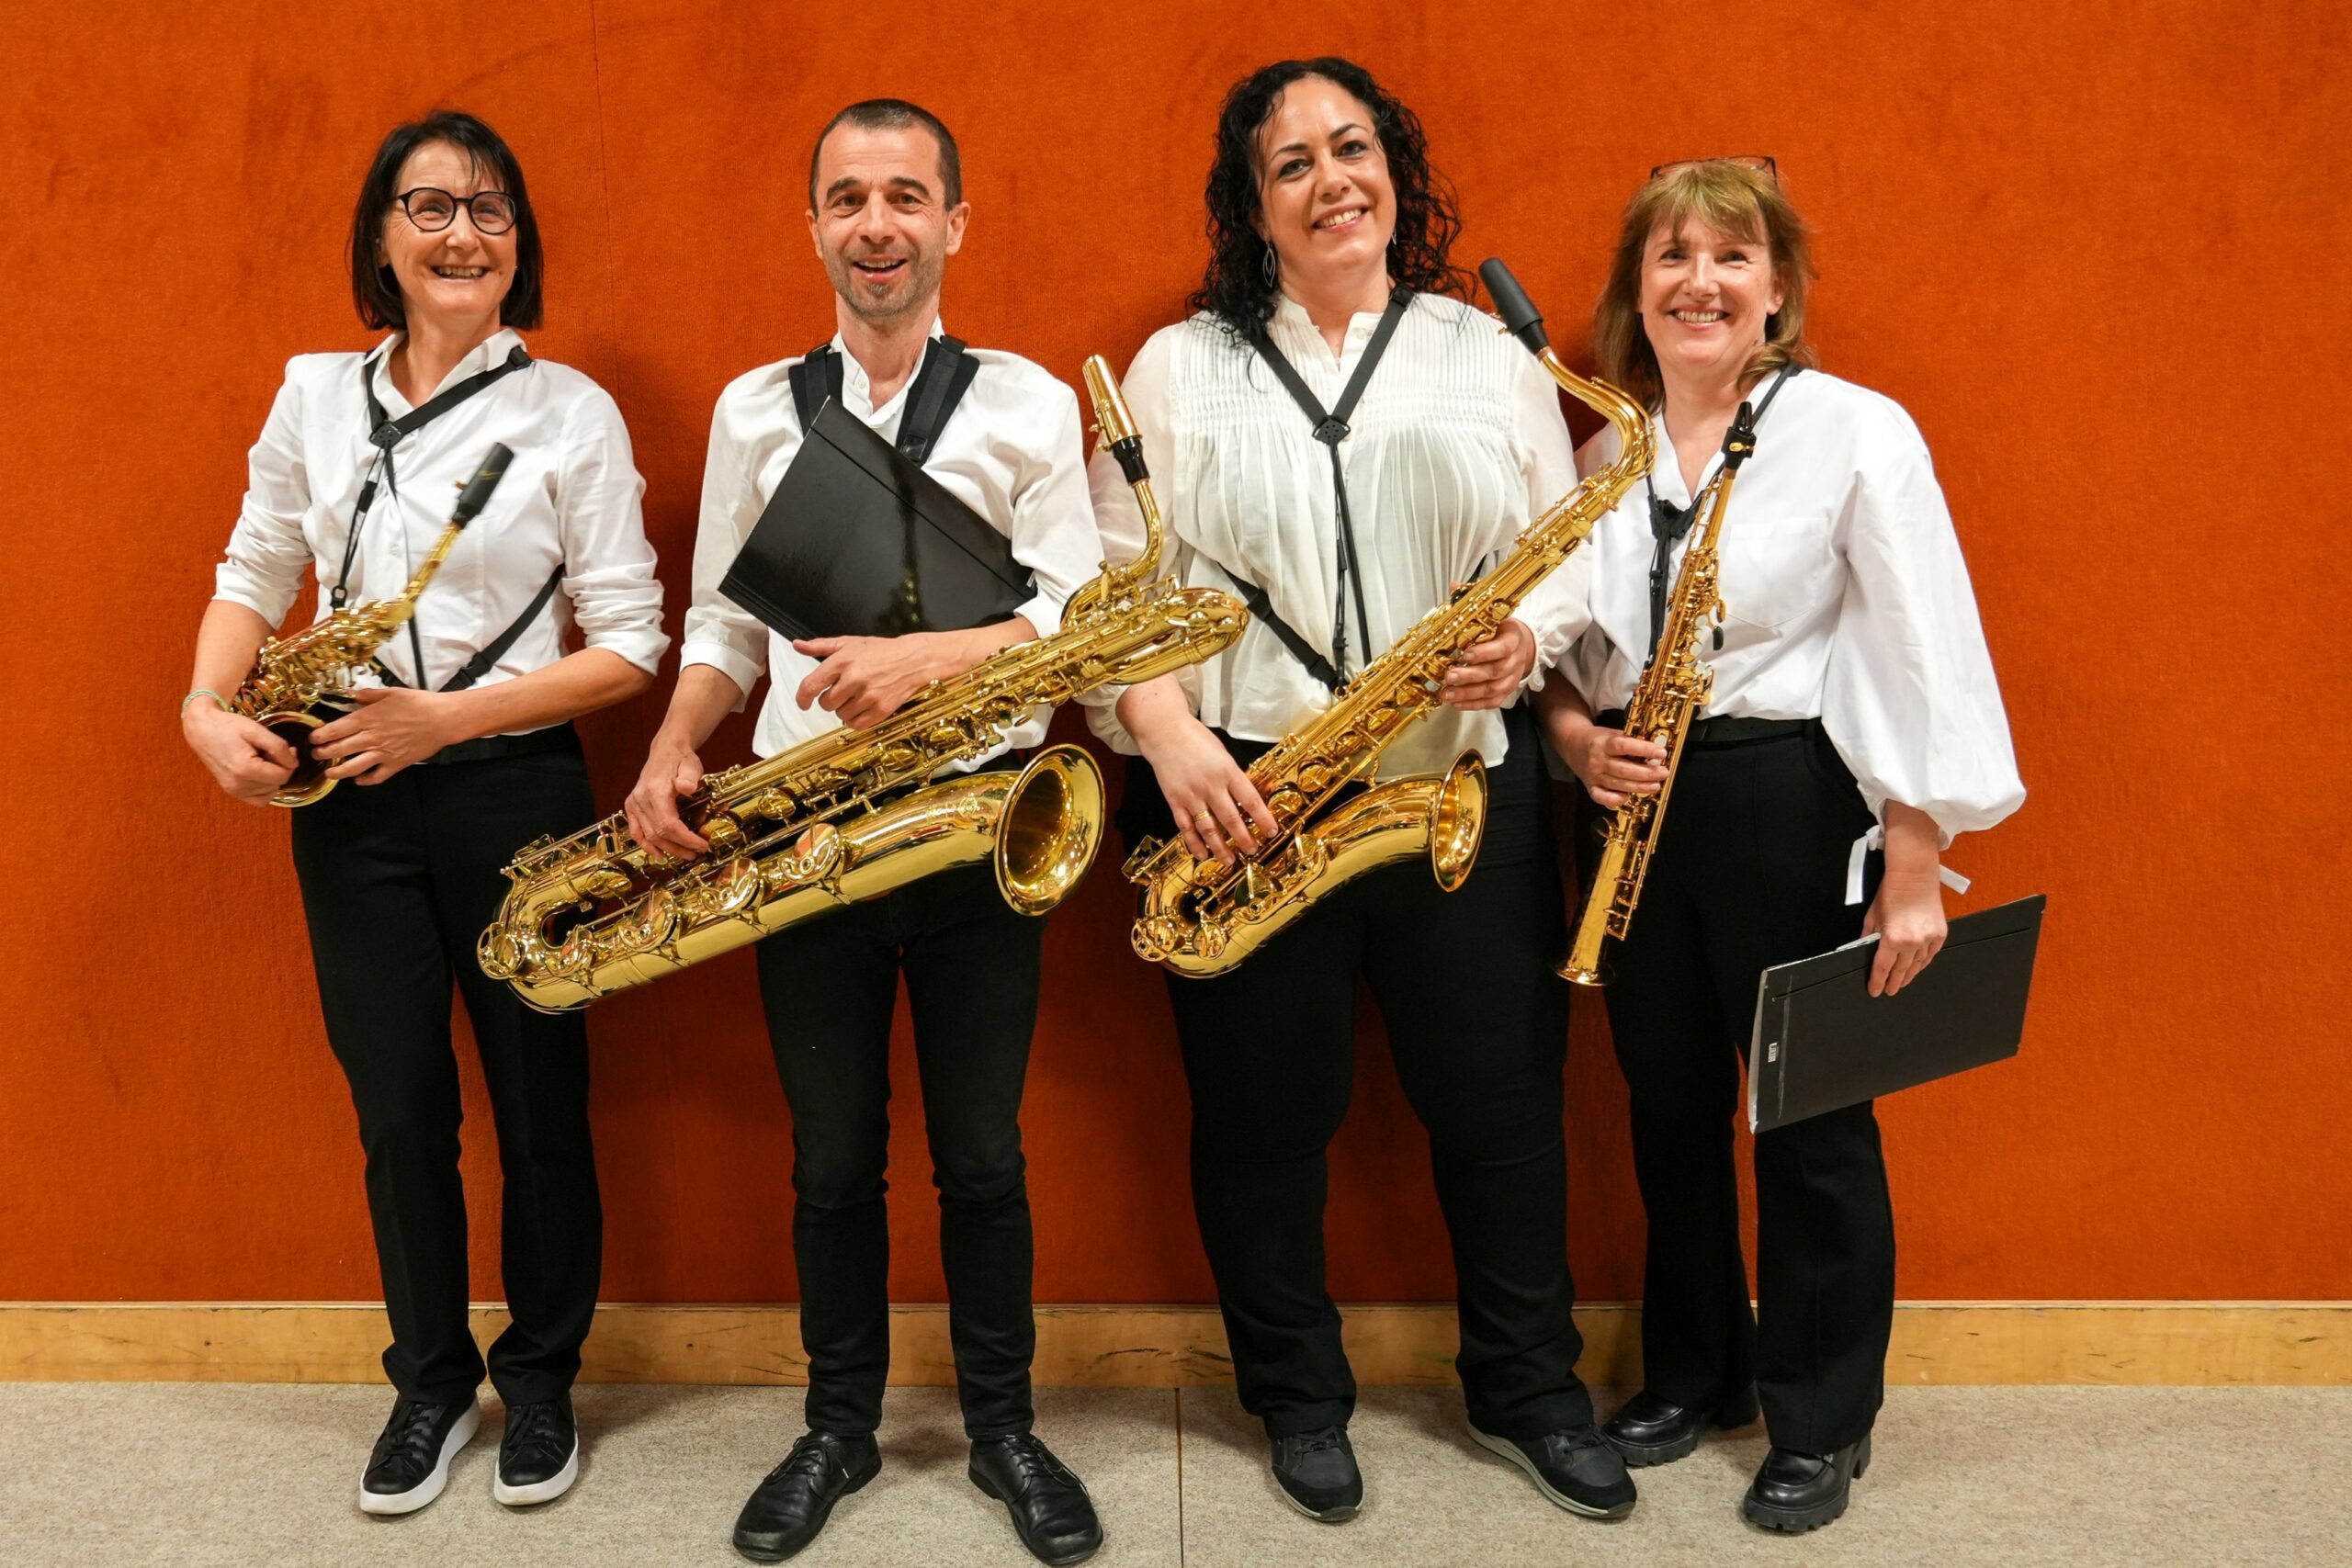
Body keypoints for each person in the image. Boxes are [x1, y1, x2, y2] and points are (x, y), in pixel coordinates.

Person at [1089, 58, 1633, 1525]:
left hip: (1457, 782)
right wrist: (1166, 736)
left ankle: (1528, 1388)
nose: (1331, 181)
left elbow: (1568, 548)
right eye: (1293, 164)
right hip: (1247, 798)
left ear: (1396, 171)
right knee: (1262, 1123)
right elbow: (1110, 594)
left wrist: (1527, 641)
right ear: (1252, 205)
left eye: (1354, 148)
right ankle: (1296, 1395)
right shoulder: (1175, 368)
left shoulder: (1487, 353)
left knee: (1503, 1111)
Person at [624, 99, 1103, 1566]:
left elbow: (1078, 622)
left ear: (955, 222)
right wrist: (672, 744)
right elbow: (723, 622)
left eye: (905, 196)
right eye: (847, 198)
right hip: (807, 833)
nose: (875, 225)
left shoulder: (1026, 402)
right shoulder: (754, 410)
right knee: (830, 1159)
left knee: (984, 1158)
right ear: (814, 227)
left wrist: (924, 661)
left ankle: (1005, 1428)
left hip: (976, 829)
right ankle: (836, 1428)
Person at [182, 110, 667, 1515]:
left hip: (515, 786)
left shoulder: (569, 410)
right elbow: (255, 563)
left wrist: (444, 719)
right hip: (350, 788)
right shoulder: (313, 396)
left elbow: (630, 643)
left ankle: (545, 1381)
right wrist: (204, 708)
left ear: (521, 241)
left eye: (491, 208)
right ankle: (431, 1384)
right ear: (381, 239)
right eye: (432, 206)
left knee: (541, 1103)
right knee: (397, 1107)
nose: (464, 233)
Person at [1537, 156, 2024, 1533]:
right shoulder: (1607, 454)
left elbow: (1923, 644)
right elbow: (1564, 658)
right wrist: (1578, 746)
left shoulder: (1857, 431)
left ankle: (1822, 1417)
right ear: (1637, 291)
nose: (1700, 282)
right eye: (1672, 256)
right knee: (1668, 1108)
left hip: (1789, 796)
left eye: (1732, 257)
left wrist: (1915, 864)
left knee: (1810, 1120)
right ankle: (1700, 1373)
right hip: (1639, 804)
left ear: (1778, 292)